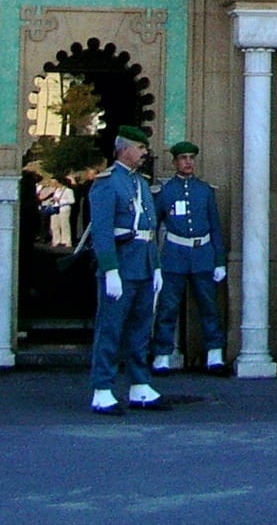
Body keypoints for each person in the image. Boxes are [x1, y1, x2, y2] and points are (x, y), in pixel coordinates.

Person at [85, 125, 165, 413]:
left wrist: (155, 267)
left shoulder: (141, 183)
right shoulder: (107, 183)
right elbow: (103, 232)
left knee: (141, 329)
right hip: (121, 266)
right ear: (125, 149)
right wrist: (110, 270)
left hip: (142, 266)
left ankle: (139, 384)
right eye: (140, 148)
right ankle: (102, 387)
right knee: (111, 328)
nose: (145, 153)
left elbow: (150, 229)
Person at [153, 140, 229, 373]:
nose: (188, 162)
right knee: (168, 307)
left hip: (202, 254)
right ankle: (162, 354)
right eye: (183, 158)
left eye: (191, 158)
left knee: (208, 306)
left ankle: (214, 354)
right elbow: (153, 226)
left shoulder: (204, 190)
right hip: (175, 255)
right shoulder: (165, 192)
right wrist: (155, 262)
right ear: (175, 162)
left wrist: (219, 260)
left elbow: (215, 227)